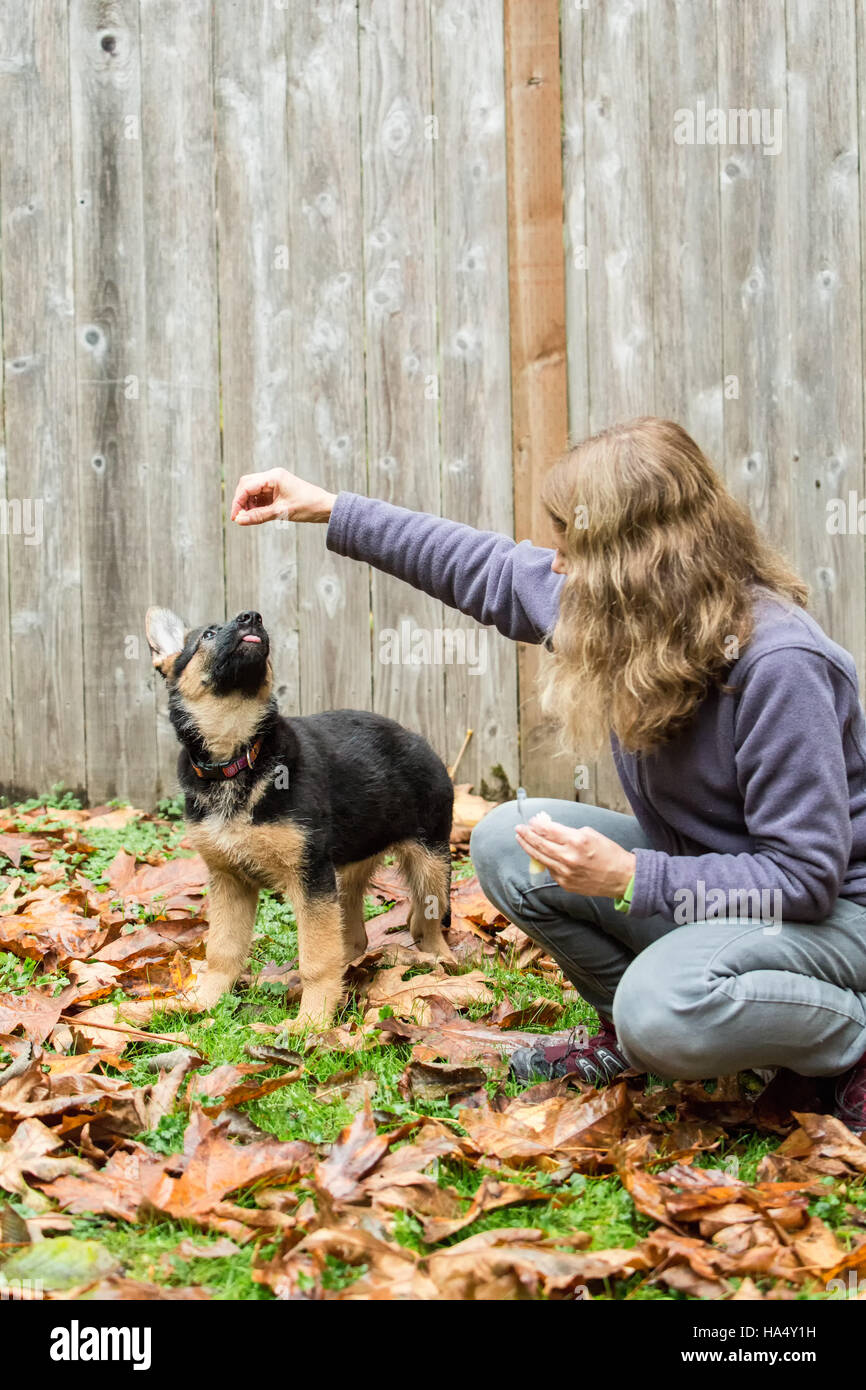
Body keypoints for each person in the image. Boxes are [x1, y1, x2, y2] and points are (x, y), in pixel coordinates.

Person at [230, 417, 866, 1130]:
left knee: (664, 1009)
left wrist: (633, 879)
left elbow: (804, 881)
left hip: (836, 914)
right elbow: (486, 568)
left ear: (639, 558)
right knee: (510, 839)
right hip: (712, 886)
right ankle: (634, 1037)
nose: (557, 564)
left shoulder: (781, 668)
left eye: (574, 545)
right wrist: (330, 507)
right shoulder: (631, 615)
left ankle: (846, 1045)